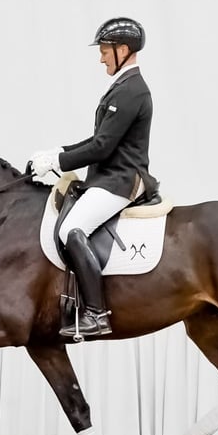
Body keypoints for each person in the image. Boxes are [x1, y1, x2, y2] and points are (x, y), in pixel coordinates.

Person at [30, 17, 159, 338]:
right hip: (108, 176)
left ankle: (96, 314)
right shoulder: (121, 87)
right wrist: (57, 151)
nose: (101, 57)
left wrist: (58, 160)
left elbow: (102, 147)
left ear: (123, 50)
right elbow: (98, 139)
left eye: (105, 51)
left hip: (120, 179)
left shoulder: (132, 91)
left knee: (73, 230)